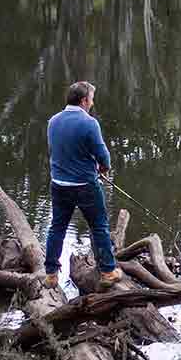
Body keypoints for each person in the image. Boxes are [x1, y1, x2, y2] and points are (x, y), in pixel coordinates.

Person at [44, 80, 124, 288]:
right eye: (91, 99)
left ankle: (51, 274)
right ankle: (108, 270)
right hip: (84, 185)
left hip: (59, 184)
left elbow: (56, 151)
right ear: (83, 100)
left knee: (57, 228)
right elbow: (103, 157)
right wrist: (102, 169)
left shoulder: (53, 121)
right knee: (99, 226)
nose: (92, 103)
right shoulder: (89, 123)